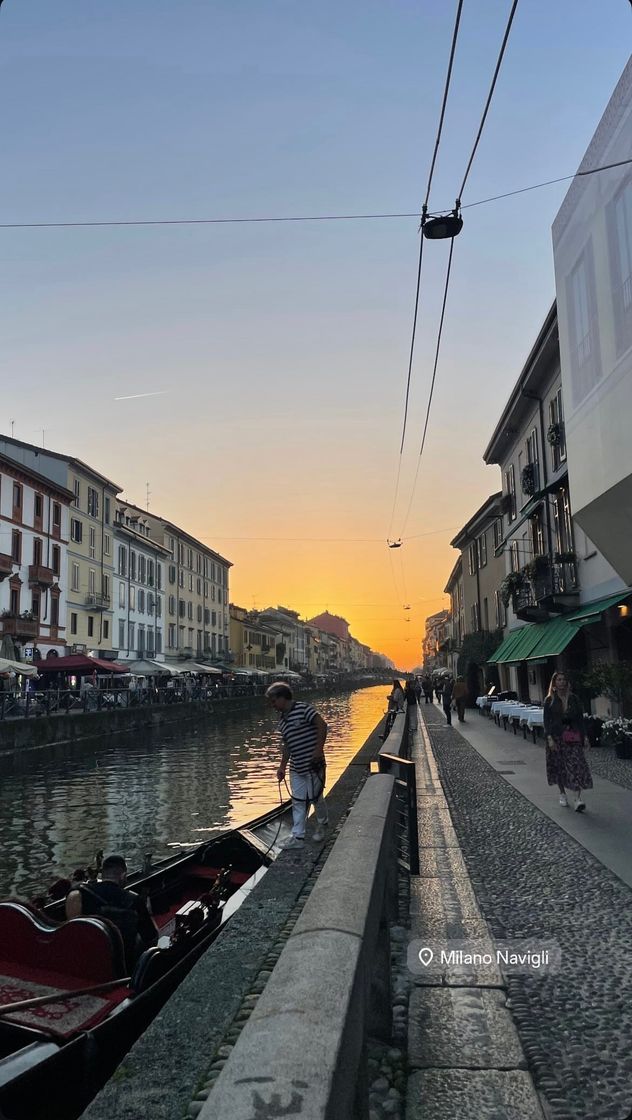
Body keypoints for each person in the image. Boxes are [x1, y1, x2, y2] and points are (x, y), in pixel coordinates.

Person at [65, 854, 159, 969]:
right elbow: (152, 939)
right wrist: (149, 912)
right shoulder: (134, 900)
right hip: (122, 967)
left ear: (102, 874)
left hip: (88, 961)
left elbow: (73, 930)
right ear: (123, 876)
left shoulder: (79, 893)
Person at [266, 682, 328, 850]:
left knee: (316, 797)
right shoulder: (282, 721)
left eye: (273, 701)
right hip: (296, 766)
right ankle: (298, 837)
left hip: (314, 764)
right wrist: (282, 767)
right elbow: (287, 746)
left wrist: (318, 751)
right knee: (298, 800)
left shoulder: (303, 709)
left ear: (282, 697)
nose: (272, 705)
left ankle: (322, 823)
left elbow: (322, 725)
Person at [543, 671, 592, 812]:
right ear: (554, 682)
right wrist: (549, 738)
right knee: (559, 767)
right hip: (556, 738)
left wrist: (585, 737)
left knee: (576, 765)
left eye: (564, 679)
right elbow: (546, 721)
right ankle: (562, 793)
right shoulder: (549, 700)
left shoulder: (574, 699)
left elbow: (580, 720)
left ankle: (577, 798)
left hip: (572, 736)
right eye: (559, 679)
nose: (562, 682)